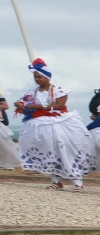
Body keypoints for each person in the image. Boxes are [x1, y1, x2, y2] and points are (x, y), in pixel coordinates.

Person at [14, 59, 96, 190]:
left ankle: (78, 183)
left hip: (60, 123)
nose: (37, 79)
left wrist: (39, 106)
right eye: (35, 77)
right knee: (50, 152)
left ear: (47, 77)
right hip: (41, 125)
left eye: (39, 77)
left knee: (66, 151)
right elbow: (21, 103)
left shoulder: (58, 90)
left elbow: (59, 105)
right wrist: (20, 106)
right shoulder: (33, 92)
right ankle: (56, 181)